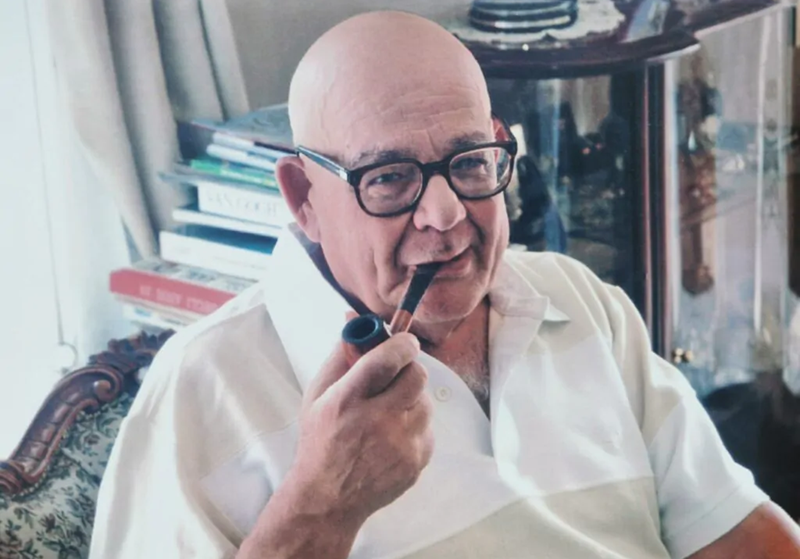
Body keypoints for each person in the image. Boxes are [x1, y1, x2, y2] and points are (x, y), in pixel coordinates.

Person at [89, 10, 800, 559]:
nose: (446, 213)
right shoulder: (202, 389)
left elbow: (737, 534)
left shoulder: (580, 301)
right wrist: (321, 508)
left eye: (469, 161)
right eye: (389, 177)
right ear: (304, 197)